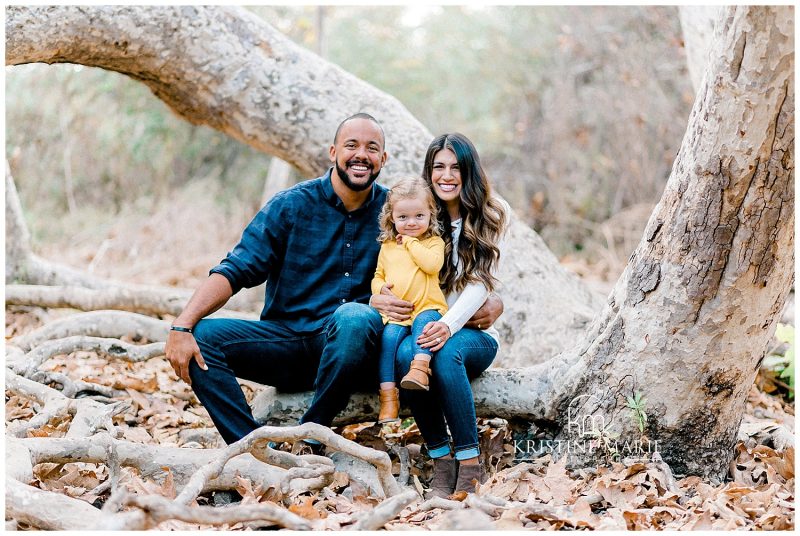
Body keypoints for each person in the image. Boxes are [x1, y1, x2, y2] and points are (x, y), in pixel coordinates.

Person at [165, 113, 390, 447]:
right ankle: (253, 449)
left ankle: (312, 435)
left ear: (383, 159)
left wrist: (488, 300)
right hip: (288, 343)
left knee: (355, 316)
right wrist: (181, 325)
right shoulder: (292, 205)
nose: (361, 155)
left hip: (356, 352)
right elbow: (236, 268)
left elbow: (442, 264)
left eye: (372, 148)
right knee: (202, 337)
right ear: (333, 152)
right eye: (351, 145)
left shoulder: (395, 211)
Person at [374, 133, 507, 497]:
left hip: (469, 334)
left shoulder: (492, 213)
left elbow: (480, 285)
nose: (446, 175)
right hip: (423, 326)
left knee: (446, 353)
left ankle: (468, 462)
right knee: (405, 357)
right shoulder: (418, 215)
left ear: (468, 171)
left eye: (455, 167)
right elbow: (389, 268)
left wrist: (448, 326)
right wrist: (380, 295)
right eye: (438, 167)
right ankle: (441, 458)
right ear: (429, 172)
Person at [371, 177, 450, 424]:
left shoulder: (433, 243)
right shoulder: (387, 246)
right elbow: (378, 275)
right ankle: (388, 398)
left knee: (424, 329)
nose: (411, 223)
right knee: (388, 342)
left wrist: (411, 242)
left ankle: (419, 370)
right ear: (392, 217)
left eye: (419, 216)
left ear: (430, 215)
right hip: (397, 314)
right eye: (403, 217)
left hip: (427, 307)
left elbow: (432, 265)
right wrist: (381, 288)